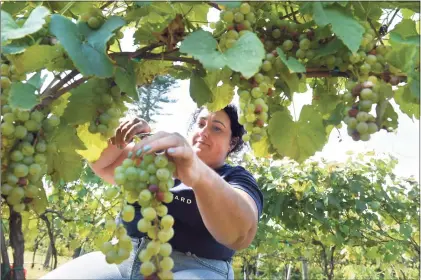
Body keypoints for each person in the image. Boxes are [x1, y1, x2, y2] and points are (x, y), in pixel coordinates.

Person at [41, 104, 264, 280]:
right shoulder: (160, 162)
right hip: (123, 258)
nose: (204, 132)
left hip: (197, 267)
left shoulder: (235, 178)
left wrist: (198, 174)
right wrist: (120, 136)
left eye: (216, 128)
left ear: (232, 142)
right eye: (201, 123)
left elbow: (240, 234)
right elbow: (103, 165)